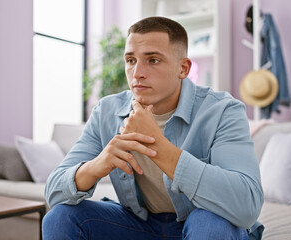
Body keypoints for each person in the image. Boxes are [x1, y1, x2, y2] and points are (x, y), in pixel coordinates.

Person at [43, 16, 264, 240]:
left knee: (210, 222)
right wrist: (98, 164)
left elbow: (246, 205)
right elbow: (53, 192)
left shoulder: (223, 111)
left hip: (201, 224)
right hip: (140, 224)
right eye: (130, 60)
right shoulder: (107, 111)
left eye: (153, 60)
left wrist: (157, 145)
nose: (137, 72)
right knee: (60, 217)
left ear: (183, 68)